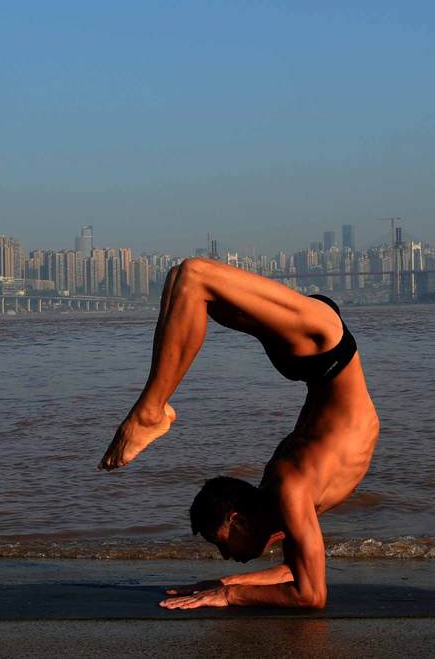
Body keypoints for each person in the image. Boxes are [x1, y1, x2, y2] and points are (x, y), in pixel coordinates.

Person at [98, 257, 380, 609]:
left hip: (323, 346)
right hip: (317, 357)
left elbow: (312, 595)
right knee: (181, 281)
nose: (225, 556)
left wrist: (229, 595)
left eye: (220, 543)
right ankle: (151, 409)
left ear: (237, 519)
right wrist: (225, 583)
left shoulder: (289, 488)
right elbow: (296, 572)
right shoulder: (287, 499)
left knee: (191, 277)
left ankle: (150, 411)